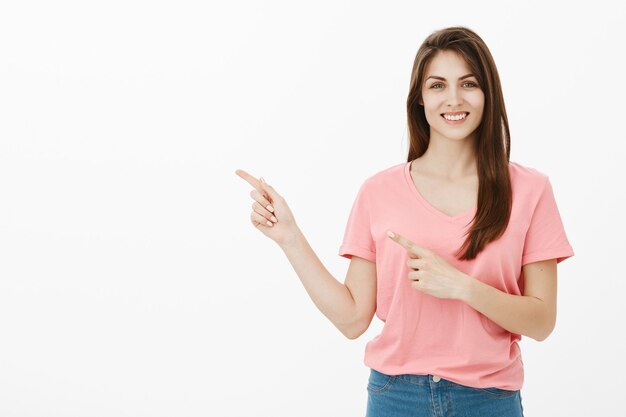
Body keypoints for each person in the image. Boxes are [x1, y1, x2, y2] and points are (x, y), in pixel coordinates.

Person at [235, 26, 574, 417]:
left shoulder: (530, 190)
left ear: (488, 94)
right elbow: (352, 319)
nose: (453, 99)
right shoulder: (378, 192)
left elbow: (542, 321)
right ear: (419, 99)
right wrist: (289, 237)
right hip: (396, 397)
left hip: (488, 399)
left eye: (468, 83)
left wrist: (462, 287)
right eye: (437, 86)